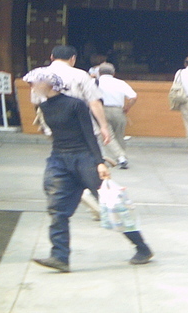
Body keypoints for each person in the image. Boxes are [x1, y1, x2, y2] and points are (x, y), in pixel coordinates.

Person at [23, 67, 153, 272]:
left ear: (48, 83)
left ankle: (142, 248)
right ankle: (59, 257)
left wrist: (99, 161)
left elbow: (89, 134)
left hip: (84, 158)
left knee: (111, 204)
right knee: (57, 208)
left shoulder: (75, 104)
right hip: (59, 158)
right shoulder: (44, 106)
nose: (31, 87)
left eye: (33, 83)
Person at [46, 45, 111, 145]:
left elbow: (37, 102)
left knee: (60, 151)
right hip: (79, 125)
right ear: (73, 58)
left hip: (53, 124)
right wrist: (103, 126)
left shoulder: (38, 75)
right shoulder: (81, 75)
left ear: (51, 57)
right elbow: (94, 102)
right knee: (91, 152)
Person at [96, 62, 137, 169]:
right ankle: (122, 157)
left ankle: (120, 157)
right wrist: (127, 107)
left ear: (99, 72)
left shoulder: (95, 82)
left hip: (102, 110)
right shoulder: (120, 83)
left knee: (107, 135)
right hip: (118, 111)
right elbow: (133, 97)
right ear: (113, 73)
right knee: (119, 135)